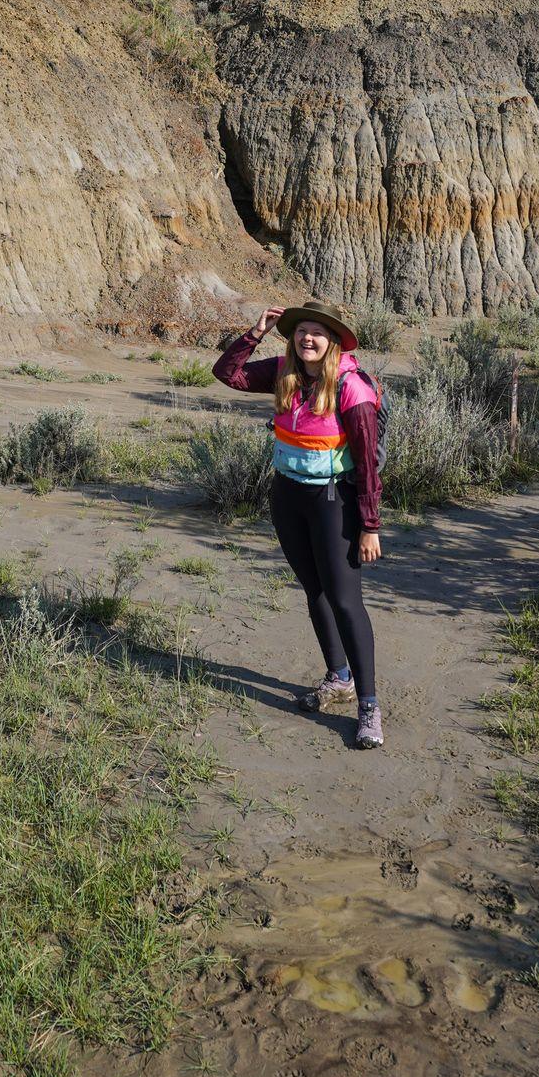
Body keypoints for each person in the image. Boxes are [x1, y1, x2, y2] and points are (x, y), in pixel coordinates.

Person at [213, 299, 385, 748]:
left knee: (346, 601)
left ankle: (369, 706)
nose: (307, 339)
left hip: (335, 501)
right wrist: (254, 333)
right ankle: (339, 677)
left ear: (334, 341)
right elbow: (227, 374)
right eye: (300, 331)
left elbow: (367, 464)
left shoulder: (353, 388)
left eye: (317, 332)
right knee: (316, 592)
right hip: (287, 495)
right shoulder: (285, 372)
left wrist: (369, 525)